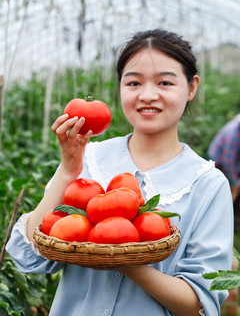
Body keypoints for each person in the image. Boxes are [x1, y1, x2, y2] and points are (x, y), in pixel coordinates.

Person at [6, 29, 233, 316]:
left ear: (191, 88)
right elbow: (29, 257)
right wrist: (67, 170)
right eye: (134, 82)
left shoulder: (207, 185)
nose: (148, 95)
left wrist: (123, 258)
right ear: (120, 87)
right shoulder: (90, 159)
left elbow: (199, 304)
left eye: (165, 82)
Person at [208, 115, 240, 204]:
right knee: (225, 189)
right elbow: (228, 161)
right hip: (219, 162)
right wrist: (234, 182)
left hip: (232, 163)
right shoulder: (233, 134)